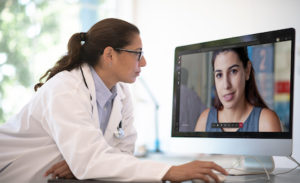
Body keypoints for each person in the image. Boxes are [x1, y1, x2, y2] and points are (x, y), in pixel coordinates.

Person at [0, 18, 228, 183]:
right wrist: (169, 171)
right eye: (138, 53)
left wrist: (85, 163)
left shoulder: (120, 94)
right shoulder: (66, 89)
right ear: (109, 55)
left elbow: (121, 154)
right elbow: (92, 160)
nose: (144, 62)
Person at [195, 47, 282, 132]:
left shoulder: (266, 123)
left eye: (233, 71)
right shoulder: (205, 121)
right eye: (219, 75)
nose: (226, 85)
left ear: (247, 69)